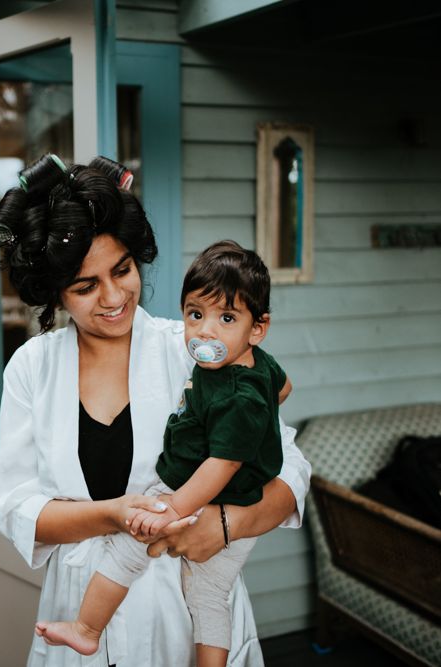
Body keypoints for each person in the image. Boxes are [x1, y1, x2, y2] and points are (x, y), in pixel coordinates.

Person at [0, 155, 311, 666]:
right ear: (55, 293)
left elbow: (289, 467)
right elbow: (18, 509)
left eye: (122, 270)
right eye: (85, 286)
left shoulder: (195, 347)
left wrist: (226, 525)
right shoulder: (32, 369)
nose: (114, 296)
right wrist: (111, 515)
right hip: (82, 605)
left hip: (185, 606)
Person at [37, 241, 293, 667]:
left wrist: (178, 509)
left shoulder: (234, 390)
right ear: (58, 293)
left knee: (133, 549)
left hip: (196, 501)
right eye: (195, 314)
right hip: (194, 502)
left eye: (122, 271)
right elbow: (282, 388)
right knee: (208, 596)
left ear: (257, 328)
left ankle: (86, 628)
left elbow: (231, 462)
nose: (206, 331)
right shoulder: (247, 364)